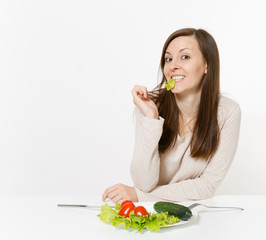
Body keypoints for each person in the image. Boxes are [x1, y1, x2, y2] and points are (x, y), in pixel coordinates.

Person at [102, 28, 241, 203]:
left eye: (185, 57)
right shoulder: (150, 105)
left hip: (194, 213)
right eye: (168, 59)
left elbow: (207, 185)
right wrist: (151, 118)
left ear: (207, 65)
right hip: (151, 212)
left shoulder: (227, 112)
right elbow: (143, 183)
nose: (173, 66)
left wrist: (140, 196)